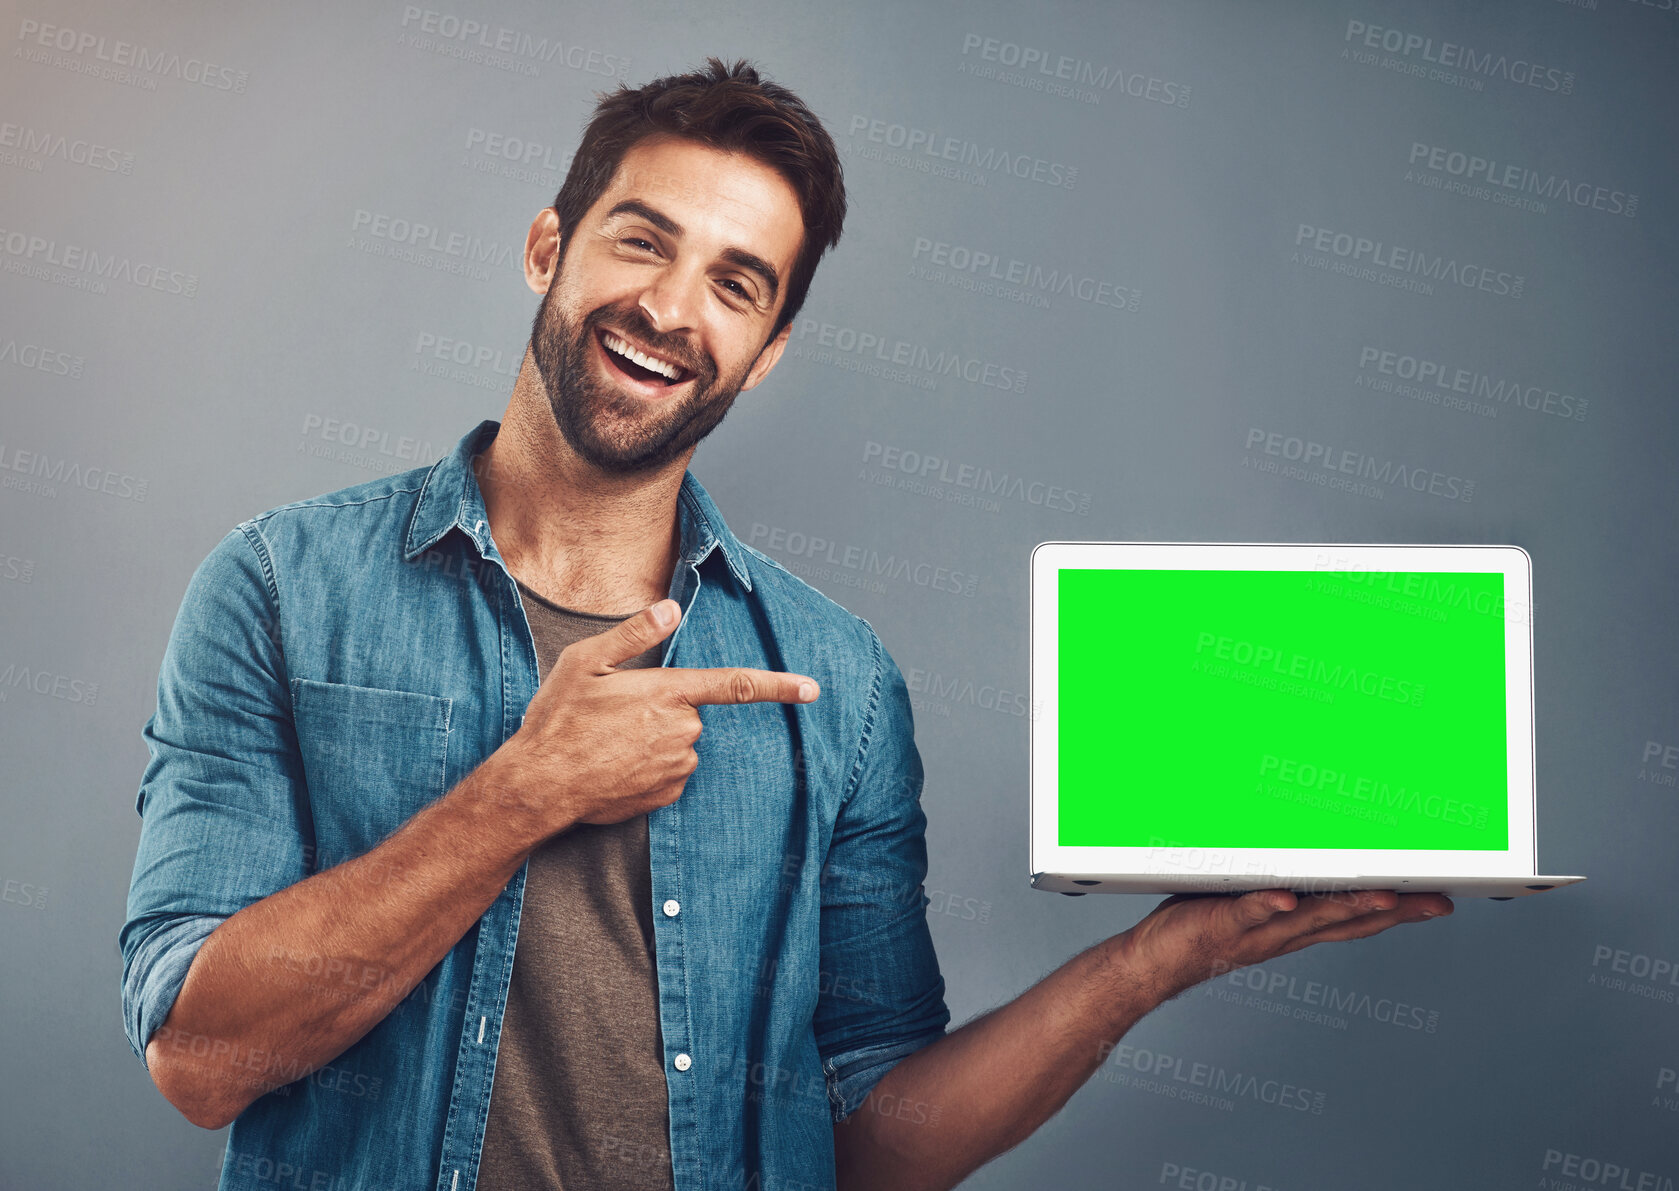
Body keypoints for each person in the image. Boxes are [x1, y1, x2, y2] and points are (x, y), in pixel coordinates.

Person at [121, 58, 1451, 1191]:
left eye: (737, 285)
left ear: (767, 352)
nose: (670, 310)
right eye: (640, 239)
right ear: (550, 247)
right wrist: (525, 791)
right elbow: (198, 1057)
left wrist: (1158, 960)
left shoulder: (839, 680)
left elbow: (872, 1146)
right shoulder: (282, 589)